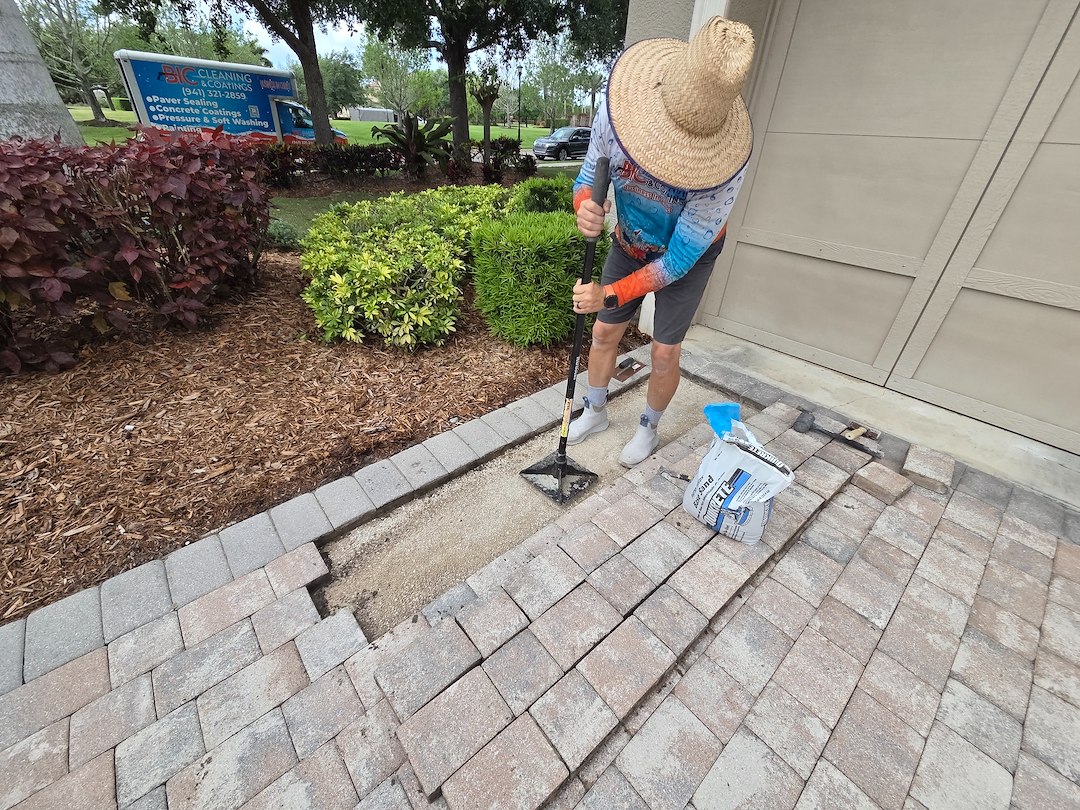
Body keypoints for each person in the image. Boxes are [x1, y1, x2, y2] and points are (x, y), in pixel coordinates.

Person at [568, 16, 755, 467]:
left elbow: (674, 265)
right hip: (630, 239)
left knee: (664, 351)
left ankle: (648, 429)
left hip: (687, 256)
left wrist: (608, 293)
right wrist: (584, 206)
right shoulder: (616, 111)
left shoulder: (724, 172)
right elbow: (587, 177)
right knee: (604, 331)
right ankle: (595, 411)